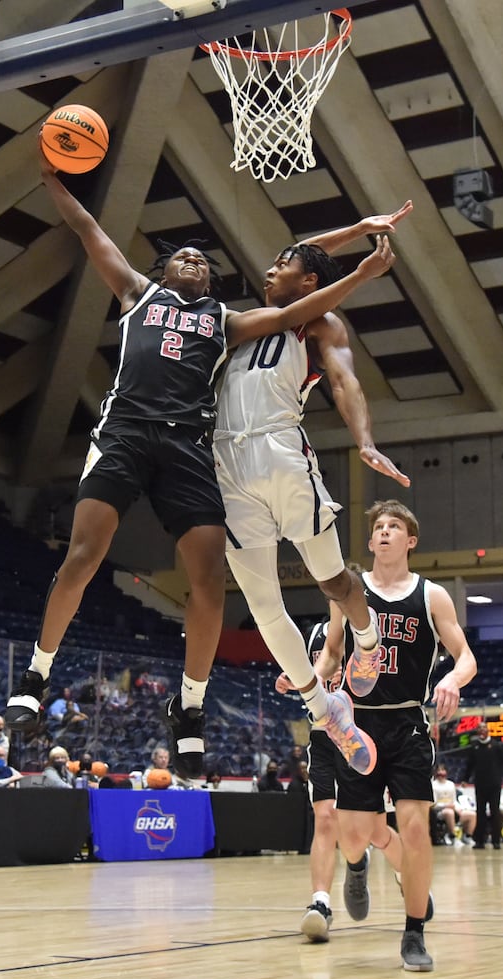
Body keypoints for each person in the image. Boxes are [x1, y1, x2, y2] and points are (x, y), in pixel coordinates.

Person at [3, 162, 397, 783]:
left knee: (282, 582)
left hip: (238, 451)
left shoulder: (254, 322)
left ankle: (342, 653)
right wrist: (51, 178)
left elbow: (310, 294)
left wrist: (356, 269)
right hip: (177, 448)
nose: (194, 261)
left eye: (202, 260)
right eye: (181, 257)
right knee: (231, 595)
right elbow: (89, 229)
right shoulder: (165, 304)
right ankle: (327, 717)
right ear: (162, 272)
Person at [214, 209, 414, 776]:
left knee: (331, 579)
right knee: (259, 602)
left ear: (307, 284)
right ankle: (324, 710)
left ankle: (368, 641)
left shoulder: (319, 324)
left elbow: (346, 380)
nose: (270, 266)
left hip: (280, 450)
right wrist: (357, 228)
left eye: (284, 265)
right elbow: (303, 250)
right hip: (225, 461)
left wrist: (365, 440)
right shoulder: (239, 320)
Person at [317, 499, 476, 972]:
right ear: (370, 542)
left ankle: (413, 933)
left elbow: (466, 657)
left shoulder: (432, 596)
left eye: (395, 527)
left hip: (407, 722)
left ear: (410, 541)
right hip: (354, 724)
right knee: (354, 835)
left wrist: (452, 679)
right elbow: (331, 652)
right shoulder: (348, 591)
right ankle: (357, 864)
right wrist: (307, 676)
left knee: (414, 828)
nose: (384, 532)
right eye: (378, 527)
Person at [279, 617, 433, 944]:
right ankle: (320, 903)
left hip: (360, 734)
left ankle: (408, 878)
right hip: (323, 736)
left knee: (376, 831)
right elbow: (313, 669)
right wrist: (297, 677)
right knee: (324, 819)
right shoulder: (319, 635)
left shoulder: (366, 630)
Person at [463, 724, 503, 849]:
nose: (482, 730)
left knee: (495, 812)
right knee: (480, 813)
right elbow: (470, 765)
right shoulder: (474, 746)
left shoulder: (496, 746)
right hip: (480, 785)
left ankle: (496, 841)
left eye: (484, 728)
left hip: (494, 785)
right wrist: (465, 779)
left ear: (488, 731)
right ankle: (480, 841)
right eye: (479, 728)